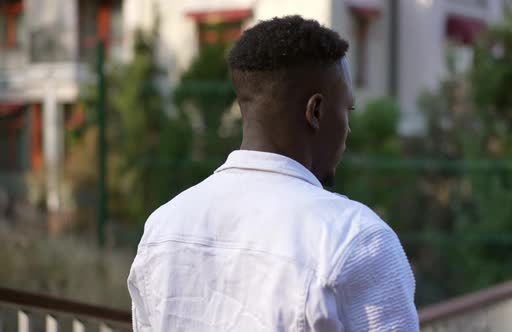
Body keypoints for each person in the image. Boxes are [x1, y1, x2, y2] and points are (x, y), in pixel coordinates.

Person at [127, 15, 418, 331]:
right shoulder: (355, 239)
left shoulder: (162, 229)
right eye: (346, 110)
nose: (347, 128)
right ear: (316, 111)